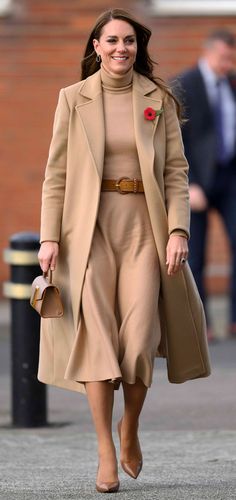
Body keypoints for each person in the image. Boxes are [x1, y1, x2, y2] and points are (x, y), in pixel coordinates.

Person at [38, 9, 210, 494]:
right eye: (111, 40)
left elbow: (176, 171)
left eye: (129, 40)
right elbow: (56, 175)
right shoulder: (72, 100)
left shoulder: (159, 99)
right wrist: (49, 237)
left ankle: (128, 427)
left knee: (137, 340)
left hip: (144, 230)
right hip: (85, 233)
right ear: (96, 46)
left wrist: (179, 230)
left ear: (139, 45)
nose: (121, 48)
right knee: (96, 338)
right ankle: (104, 453)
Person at [174, 30, 236, 339]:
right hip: (196, 181)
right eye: (223, 58)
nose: (227, 64)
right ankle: (203, 324)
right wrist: (190, 182)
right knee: (195, 254)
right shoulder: (184, 85)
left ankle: (234, 321)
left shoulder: (232, 83)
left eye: (231, 59)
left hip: (229, 178)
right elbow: (176, 139)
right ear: (209, 52)